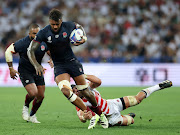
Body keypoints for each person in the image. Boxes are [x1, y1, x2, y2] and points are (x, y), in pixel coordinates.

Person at [27, 9, 108, 129]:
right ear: (49, 22)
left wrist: (83, 38)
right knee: (65, 91)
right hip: (59, 65)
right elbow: (30, 50)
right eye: (52, 24)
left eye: (57, 24)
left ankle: (101, 115)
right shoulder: (44, 32)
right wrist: (36, 65)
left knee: (85, 91)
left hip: (72, 62)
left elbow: (79, 26)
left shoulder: (69, 26)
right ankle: (91, 114)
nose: (55, 27)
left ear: (61, 21)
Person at [72, 74, 172, 127]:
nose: (76, 91)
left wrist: (81, 75)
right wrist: (85, 118)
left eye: (76, 88)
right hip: (110, 119)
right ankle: (128, 116)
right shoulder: (78, 103)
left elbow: (98, 81)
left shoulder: (88, 88)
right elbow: (81, 117)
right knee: (131, 121)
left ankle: (158, 86)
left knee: (136, 99)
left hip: (111, 104)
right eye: (74, 91)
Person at [5, 23, 51, 123]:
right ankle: (25, 107)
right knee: (34, 93)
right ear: (29, 33)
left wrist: (51, 59)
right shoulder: (22, 43)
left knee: (41, 96)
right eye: (34, 33)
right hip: (25, 71)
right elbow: (8, 51)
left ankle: (32, 115)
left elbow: (50, 51)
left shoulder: (43, 42)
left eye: (38, 33)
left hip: (38, 70)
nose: (36, 36)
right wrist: (11, 68)